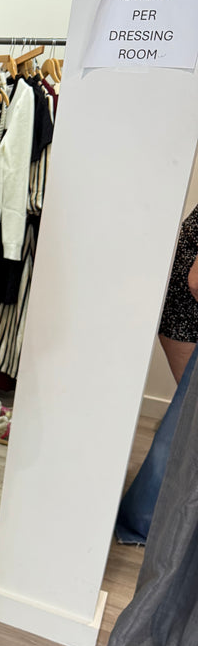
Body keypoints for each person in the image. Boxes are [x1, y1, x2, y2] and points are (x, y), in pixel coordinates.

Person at [115, 206, 198, 545]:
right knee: (187, 418)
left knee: (185, 417)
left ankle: (152, 518)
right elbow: (197, 281)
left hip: (183, 310)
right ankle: (148, 519)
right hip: (187, 315)